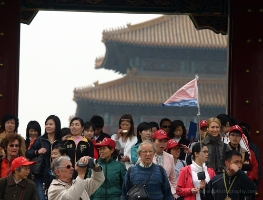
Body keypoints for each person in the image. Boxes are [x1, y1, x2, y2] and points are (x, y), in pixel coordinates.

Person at [26, 115, 62, 200]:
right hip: (40, 175)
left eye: (50, 124)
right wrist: (37, 151)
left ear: (56, 126)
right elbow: (27, 153)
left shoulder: (60, 142)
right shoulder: (39, 139)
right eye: (46, 124)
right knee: (41, 198)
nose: (48, 126)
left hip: (56, 175)